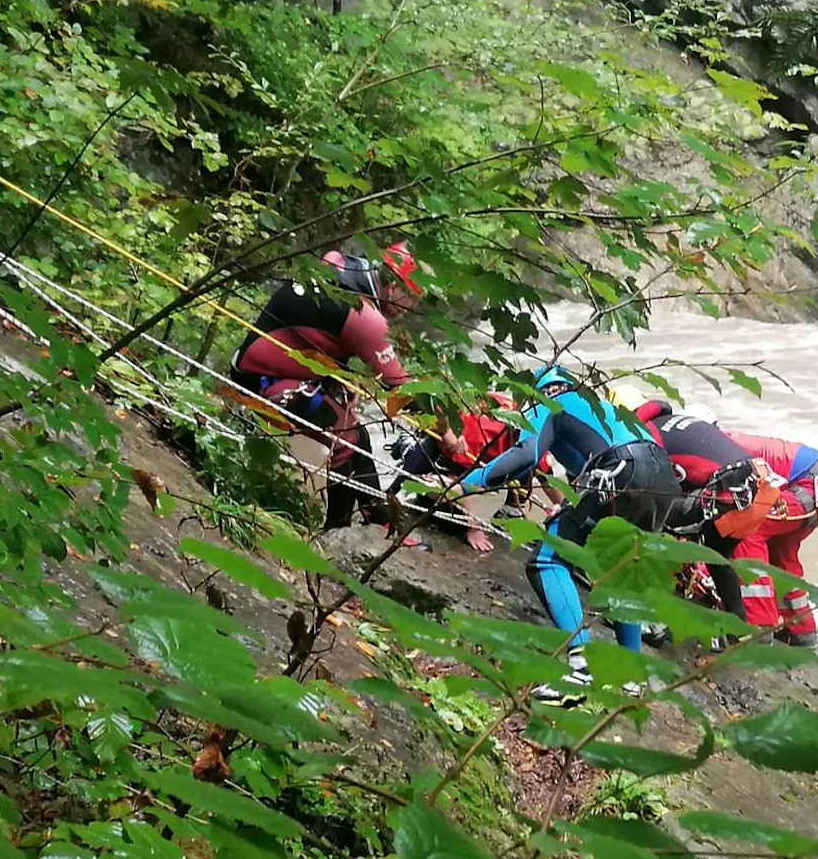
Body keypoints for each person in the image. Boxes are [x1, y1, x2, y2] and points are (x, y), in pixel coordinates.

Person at [450, 365, 677, 705]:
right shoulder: (600, 407)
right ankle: (631, 676)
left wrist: (471, 481)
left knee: (547, 561)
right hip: (661, 476)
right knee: (618, 571)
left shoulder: (553, 400)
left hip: (619, 471)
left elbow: (526, 455)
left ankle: (582, 665)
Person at [227, 242, 434, 532]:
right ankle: (338, 531)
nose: (413, 308)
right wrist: (447, 432)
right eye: (413, 298)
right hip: (262, 382)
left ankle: (380, 520)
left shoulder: (338, 265)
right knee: (344, 438)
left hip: (267, 368)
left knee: (359, 434)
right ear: (395, 288)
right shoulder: (365, 318)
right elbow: (400, 387)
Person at [627, 398, 778, 627]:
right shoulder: (679, 422)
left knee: (649, 517)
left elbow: (652, 487)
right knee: (717, 555)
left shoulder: (647, 435)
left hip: (731, 492)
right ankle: (739, 628)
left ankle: (654, 621)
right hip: (762, 489)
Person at [727, 431, 818, 648]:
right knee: (780, 549)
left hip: (812, 485)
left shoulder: (718, 450)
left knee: (747, 531)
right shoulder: (721, 441)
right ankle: (800, 629)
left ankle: (758, 626)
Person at [387, 392, 541, 551]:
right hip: (449, 444)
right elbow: (463, 481)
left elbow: (545, 472)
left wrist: (558, 506)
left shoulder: (535, 436)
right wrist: (474, 528)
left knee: (527, 466)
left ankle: (509, 511)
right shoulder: (484, 434)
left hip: (480, 444)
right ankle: (409, 454)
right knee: (452, 515)